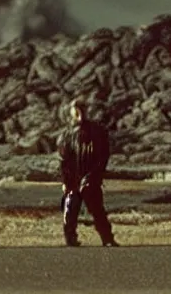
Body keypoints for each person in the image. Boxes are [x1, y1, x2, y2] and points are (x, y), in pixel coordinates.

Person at [57, 99, 119, 247]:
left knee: (97, 209)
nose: (80, 113)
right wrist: (65, 180)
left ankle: (107, 238)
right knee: (70, 209)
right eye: (77, 109)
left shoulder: (97, 132)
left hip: (90, 175)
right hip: (73, 177)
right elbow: (63, 160)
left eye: (82, 108)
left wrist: (95, 175)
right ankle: (70, 238)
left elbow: (103, 156)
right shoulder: (67, 134)